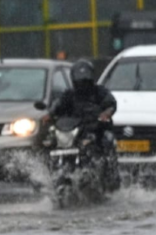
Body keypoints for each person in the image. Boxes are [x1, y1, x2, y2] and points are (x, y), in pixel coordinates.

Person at [46, 59, 120, 189]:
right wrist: (50, 114)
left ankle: (110, 176)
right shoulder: (69, 94)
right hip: (75, 131)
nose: (83, 82)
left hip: (97, 129)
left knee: (108, 140)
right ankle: (50, 176)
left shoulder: (99, 92)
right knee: (50, 142)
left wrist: (106, 113)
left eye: (85, 79)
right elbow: (58, 105)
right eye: (80, 79)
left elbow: (110, 103)